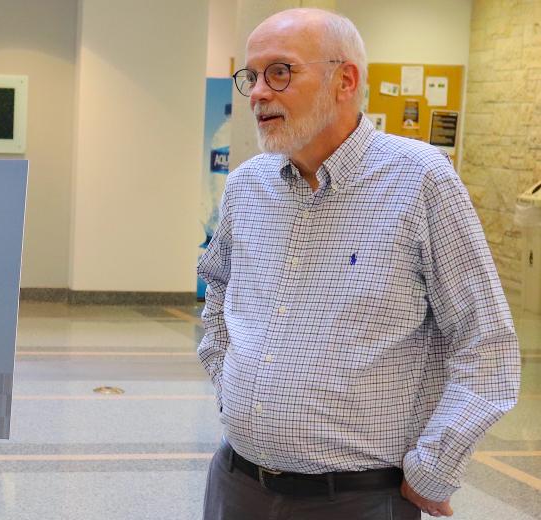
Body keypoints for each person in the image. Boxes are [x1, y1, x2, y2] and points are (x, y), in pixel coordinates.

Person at [197, 8, 521, 519]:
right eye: (252, 77)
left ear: (344, 79)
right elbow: (218, 293)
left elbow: (488, 346)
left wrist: (434, 467)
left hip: (357, 499)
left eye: (280, 72)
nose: (258, 92)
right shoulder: (246, 186)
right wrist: (233, 385)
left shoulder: (420, 182)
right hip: (237, 486)